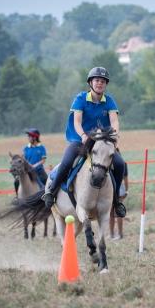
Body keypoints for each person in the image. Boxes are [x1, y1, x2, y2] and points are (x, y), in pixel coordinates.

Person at [42, 67, 127, 218]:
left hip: (101, 142)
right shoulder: (81, 98)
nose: (99, 83)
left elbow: (114, 121)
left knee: (120, 164)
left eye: (102, 81)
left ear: (105, 84)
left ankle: (116, 202)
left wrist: (115, 138)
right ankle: (51, 192)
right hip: (80, 140)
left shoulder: (109, 101)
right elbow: (77, 121)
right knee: (67, 161)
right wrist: (82, 135)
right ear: (90, 83)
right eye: (97, 80)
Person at [109, 161, 129, 239]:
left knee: (112, 213)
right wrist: (126, 190)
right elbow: (126, 178)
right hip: (120, 189)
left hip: (111, 188)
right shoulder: (123, 163)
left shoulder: (109, 162)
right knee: (118, 212)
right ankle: (119, 234)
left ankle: (112, 234)